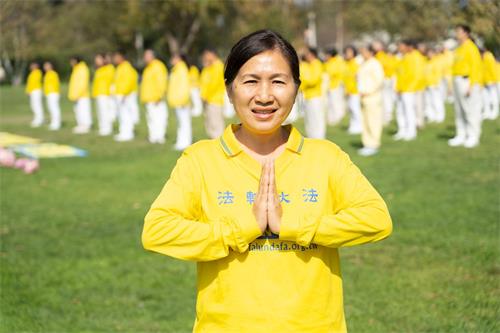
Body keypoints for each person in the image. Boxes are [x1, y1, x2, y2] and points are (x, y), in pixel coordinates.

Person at [142, 29, 392, 333]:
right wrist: (242, 230)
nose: (264, 96)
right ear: (230, 89)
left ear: (296, 88)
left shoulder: (325, 157)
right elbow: (157, 230)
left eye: (278, 81)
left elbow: (376, 219)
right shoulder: (201, 160)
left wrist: (295, 226)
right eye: (250, 81)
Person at [449, 24, 483, 148]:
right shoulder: (459, 48)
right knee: (459, 110)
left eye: (459, 31)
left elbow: (476, 67)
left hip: (467, 80)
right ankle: (461, 134)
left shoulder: (471, 47)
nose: (457, 34)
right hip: (457, 80)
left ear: (466, 33)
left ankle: (473, 135)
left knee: (470, 110)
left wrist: (472, 85)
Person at [357, 45, 385, 156]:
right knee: (365, 121)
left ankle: (373, 144)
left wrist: (368, 91)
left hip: (372, 97)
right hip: (363, 97)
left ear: (370, 52)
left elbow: (379, 81)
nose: (362, 54)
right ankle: (367, 143)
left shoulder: (375, 64)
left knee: (373, 121)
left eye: (364, 51)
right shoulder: (364, 63)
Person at [140, 49, 168, 144]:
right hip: (148, 98)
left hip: (156, 99)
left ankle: (160, 137)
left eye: (146, 55)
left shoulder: (158, 66)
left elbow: (161, 82)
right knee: (151, 119)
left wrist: (159, 96)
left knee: (159, 118)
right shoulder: (147, 68)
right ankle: (153, 136)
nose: (145, 58)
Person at [394, 40, 419, 141]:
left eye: (401, 46)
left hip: (408, 89)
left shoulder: (412, 58)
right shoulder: (401, 58)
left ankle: (411, 131)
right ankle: (402, 130)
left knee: (408, 110)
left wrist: (407, 87)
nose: (399, 47)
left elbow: (413, 75)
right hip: (400, 89)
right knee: (400, 110)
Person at [113, 51, 139, 142]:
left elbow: (129, 81)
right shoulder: (120, 67)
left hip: (125, 95)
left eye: (116, 57)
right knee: (122, 115)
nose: (115, 59)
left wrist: (124, 93)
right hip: (120, 93)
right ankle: (123, 132)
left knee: (126, 114)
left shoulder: (126, 67)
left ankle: (128, 133)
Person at [168, 54, 192, 150]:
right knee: (181, 122)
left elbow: (184, 86)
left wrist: (183, 100)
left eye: (173, 57)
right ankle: (181, 141)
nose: (172, 59)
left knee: (184, 122)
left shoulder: (181, 69)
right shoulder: (177, 69)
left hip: (181, 101)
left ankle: (185, 142)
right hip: (177, 101)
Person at [200, 48, 226, 139]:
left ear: (213, 54)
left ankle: (219, 144)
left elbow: (214, 83)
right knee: (209, 123)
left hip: (215, 99)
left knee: (216, 123)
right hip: (207, 99)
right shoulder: (209, 67)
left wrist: (205, 95)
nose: (205, 57)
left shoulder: (218, 66)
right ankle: (213, 142)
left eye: (207, 55)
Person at [301, 47, 326, 139]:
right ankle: (311, 137)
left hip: (315, 96)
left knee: (317, 118)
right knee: (309, 118)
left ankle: (319, 137)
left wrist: (303, 81)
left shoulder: (317, 64)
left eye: (307, 53)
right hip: (307, 95)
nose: (306, 55)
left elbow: (313, 80)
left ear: (312, 54)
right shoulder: (307, 65)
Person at [373, 41, 397, 125]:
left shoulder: (382, 56)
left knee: (386, 99)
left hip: (385, 79)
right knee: (384, 99)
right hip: (384, 79)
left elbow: (388, 67)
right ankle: (384, 117)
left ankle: (387, 117)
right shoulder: (378, 56)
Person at [92, 54, 116, 136]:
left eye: (98, 59)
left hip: (106, 94)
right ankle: (102, 127)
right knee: (100, 112)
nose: (97, 61)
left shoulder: (110, 68)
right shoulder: (98, 70)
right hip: (98, 94)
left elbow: (113, 81)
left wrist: (111, 93)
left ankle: (107, 128)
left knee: (106, 112)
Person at [68, 56, 92, 134]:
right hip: (76, 96)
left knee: (84, 111)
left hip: (82, 95)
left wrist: (78, 94)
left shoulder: (82, 69)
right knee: (78, 111)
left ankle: (86, 126)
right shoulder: (76, 69)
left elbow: (83, 83)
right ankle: (81, 125)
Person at [343, 45, 363, 134]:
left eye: (349, 52)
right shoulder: (347, 64)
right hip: (348, 91)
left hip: (354, 91)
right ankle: (353, 126)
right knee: (351, 109)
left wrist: (351, 90)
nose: (347, 54)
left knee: (355, 109)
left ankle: (358, 127)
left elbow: (356, 79)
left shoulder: (355, 64)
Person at [324, 47, 346, 126]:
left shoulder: (338, 61)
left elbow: (337, 72)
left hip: (336, 85)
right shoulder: (328, 62)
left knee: (336, 103)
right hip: (330, 86)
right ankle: (331, 119)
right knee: (331, 103)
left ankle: (337, 118)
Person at [424, 47, 446, 123]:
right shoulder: (427, 61)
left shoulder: (437, 61)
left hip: (435, 84)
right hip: (427, 84)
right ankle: (431, 116)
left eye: (430, 53)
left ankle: (439, 116)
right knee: (428, 101)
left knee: (436, 101)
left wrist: (436, 83)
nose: (429, 55)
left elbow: (438, 73)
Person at [42, 61, 61, 130]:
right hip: (49, 93)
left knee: (54, 108)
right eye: (45, 66)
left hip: (53, 93)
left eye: (47, 66)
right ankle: (53, 122)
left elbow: (55, 84)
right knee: (51, 108)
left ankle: (57, 123)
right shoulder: (47, 74)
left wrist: (53, 92)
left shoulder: (53, 74)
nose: (45, 67)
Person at [481, 48, 499, 120]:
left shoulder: (488, 56)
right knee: (486, 97)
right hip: (486, 81)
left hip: (492, 80)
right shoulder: (484, 57)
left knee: (494, 97)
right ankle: (487, 111)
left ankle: (495, 111)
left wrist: (494, 79)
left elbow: (492, 68)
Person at [26, 62, 44, 128]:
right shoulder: (32, 73)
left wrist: (30, 90)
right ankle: (36, 118)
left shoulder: (38, 72)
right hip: (32, 91)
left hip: (36, 91)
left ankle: (40, 119)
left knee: (37, 105)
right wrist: (28, 90)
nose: (31, 66)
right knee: (33, 106)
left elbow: (34, 82)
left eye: (33, 65)